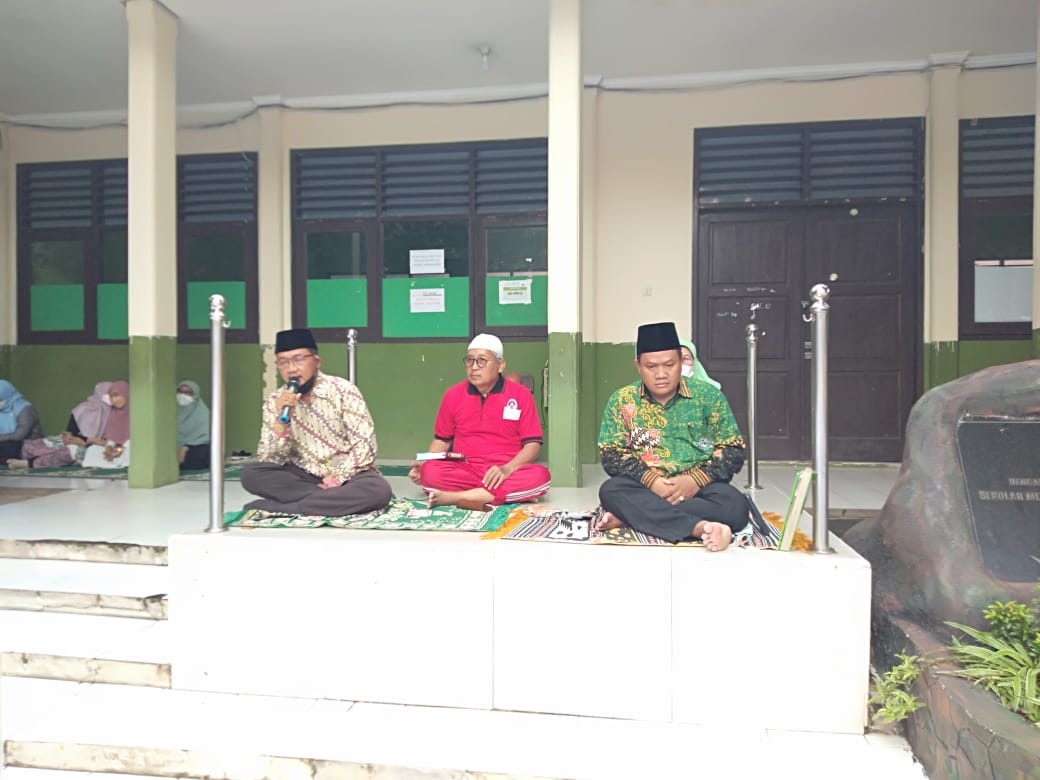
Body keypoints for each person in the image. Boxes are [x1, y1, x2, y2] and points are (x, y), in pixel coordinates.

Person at [595, 322, 747, 552]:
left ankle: (630, 517)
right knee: (611, 491)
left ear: (681, 361)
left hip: (700, 487)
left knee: (735, 505)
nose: (661, 374)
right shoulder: (622, 400)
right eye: (651, 366)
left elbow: (733, 450)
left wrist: (695, 480)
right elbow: (611, 455)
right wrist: (651, 481)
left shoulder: (708, 396)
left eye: (669, 365)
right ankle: (700, 528)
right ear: (638, 366)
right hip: (645, 486)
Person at [240, 328, 392, 516]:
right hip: (303, 476)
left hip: (347, 476)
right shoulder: (275, 401)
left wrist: (336, 479)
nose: (292, 369)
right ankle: (327, 502)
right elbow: (269, 459)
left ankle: (289, 508)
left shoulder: (343, 390)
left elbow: (365, 446)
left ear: (317, 361)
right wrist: (281, 421)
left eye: (299, 360)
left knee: (378, 491)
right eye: (283, 362)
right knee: (251, 474)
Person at [409, 333, 550, 511]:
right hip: (466, 470)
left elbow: (532, 445)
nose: (474, 367)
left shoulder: (521, 395)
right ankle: (502, 495)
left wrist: (507, 469)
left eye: (482, 360)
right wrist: (422, 465)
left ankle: (456, 497)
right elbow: (442, 440)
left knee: (540, 476)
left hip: (504, 471)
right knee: (430, 472)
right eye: (470, 360)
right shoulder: (453, 395)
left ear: (500, 365)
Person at [80, 381, 131, 469]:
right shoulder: (114, 413)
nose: (114, 400)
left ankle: (119, 461)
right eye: (111, 397)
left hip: (130, 446)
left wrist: (120, 449)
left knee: (130, 447)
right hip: (117, 448)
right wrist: (109, 448)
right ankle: (112, 461)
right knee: (92, 449)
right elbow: (112, 437)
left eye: (116, 395)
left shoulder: (135, 411)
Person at [0, 381, 43, 464]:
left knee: (9, 447)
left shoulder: (25, 409)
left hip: (25, 445)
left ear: (7, 394)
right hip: (4, 443)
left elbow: (19, 435)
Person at [176, 380, 211, 471]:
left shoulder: (203, 413)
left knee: (206, 452)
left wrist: (185, 447)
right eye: (180, 391)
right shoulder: (169, 409)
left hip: (193, 448)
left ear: (195, 395)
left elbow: (205, 436)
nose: (183, 395)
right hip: (171, 448)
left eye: (188, 393)